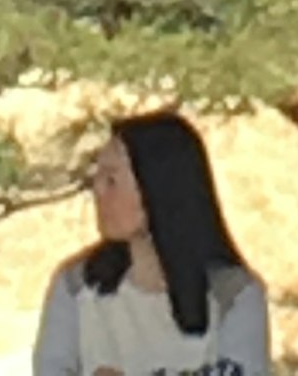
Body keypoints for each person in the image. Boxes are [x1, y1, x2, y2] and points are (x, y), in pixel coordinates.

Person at [30, 113, 272, 376]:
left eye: (111, 180)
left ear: (158, 187)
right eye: (96, 178)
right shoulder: (76, 286)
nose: (97, 190)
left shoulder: (234, 296)